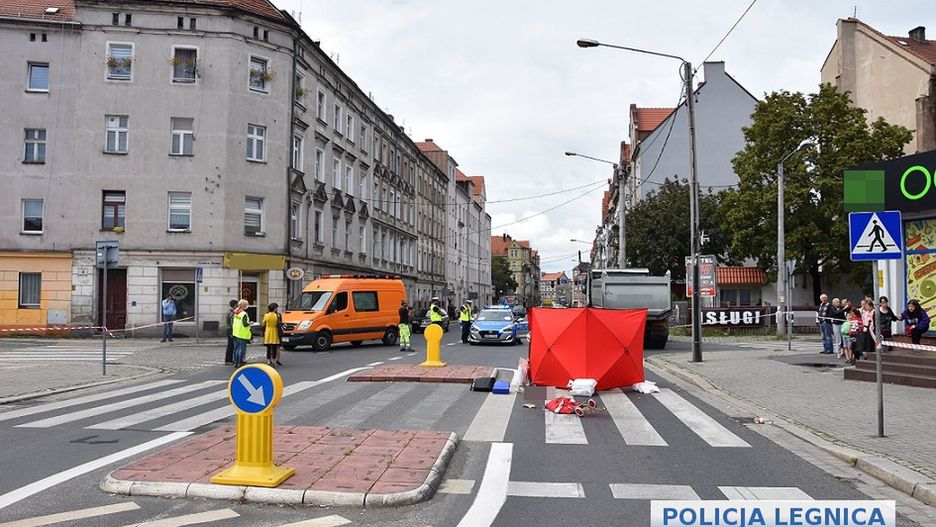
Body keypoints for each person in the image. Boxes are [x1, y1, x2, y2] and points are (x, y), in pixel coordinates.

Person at [231, 299, 251, 368]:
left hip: (235, 332)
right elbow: (245, 324)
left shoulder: (236, 312)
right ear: (244, 306)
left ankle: (235, 362)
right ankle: (240, 362)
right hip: (242, 333)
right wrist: (250, 323)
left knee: (236, 348)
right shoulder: (244, 314)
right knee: (241, 349)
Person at [224, 299, 237, 365]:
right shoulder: (231, 313)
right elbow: (232, 323)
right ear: (234, 305)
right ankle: (228, 360)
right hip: (230, 330)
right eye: (236, 305)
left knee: (231, 345)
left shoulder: (230, 312)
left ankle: (229, 360)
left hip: (229, 329)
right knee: (230, 345)